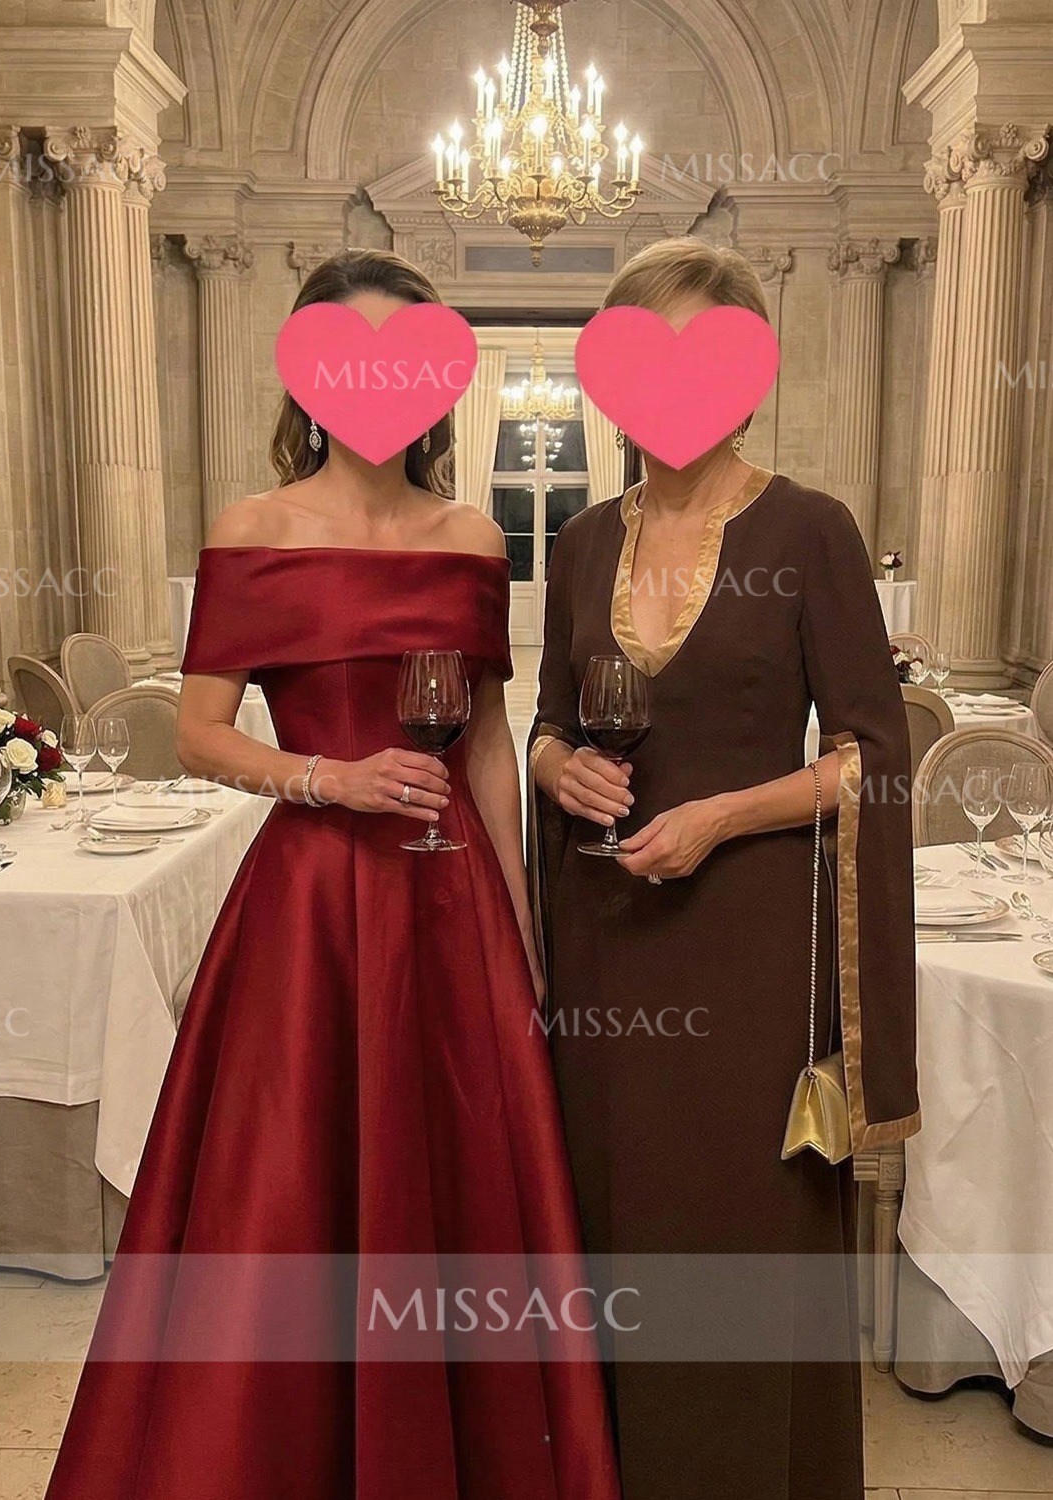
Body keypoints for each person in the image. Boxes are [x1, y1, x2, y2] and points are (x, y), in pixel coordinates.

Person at [45, 249, 620, 1500]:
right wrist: (325, 778)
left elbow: (484, 746)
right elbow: (199, 732)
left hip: (451, 904)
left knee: (457, 1185)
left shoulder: (470, 538)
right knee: (286, 1184)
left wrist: (524, 937)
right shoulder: (253, 530)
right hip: (307, 907)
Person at [528, 236, 920, 1500]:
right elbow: (544, 720)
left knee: (732, 1220)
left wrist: (723, 816)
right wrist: (555, 769)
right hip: (604, 934)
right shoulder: (580, 543)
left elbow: (871, 756)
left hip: (748, 944)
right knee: (614, 1216)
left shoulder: (808, 529)